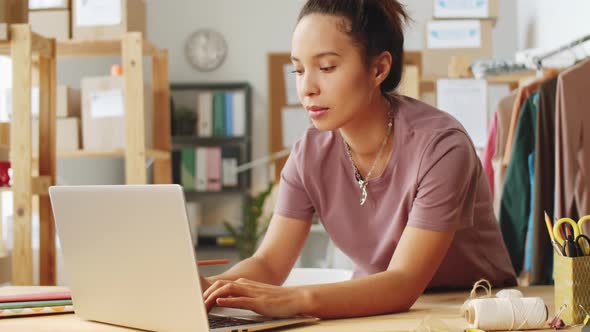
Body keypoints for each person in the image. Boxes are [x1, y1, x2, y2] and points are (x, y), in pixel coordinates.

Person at [201, 0, 516, 319]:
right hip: (375, 308)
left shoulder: (441, 147)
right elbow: (269, 263)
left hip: (473, 309)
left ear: (379, 68)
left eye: (326, 68)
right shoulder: (307, 155)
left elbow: (404, 282)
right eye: (298, 70)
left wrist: (294, 299)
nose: (306, 88)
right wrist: (210, 288)